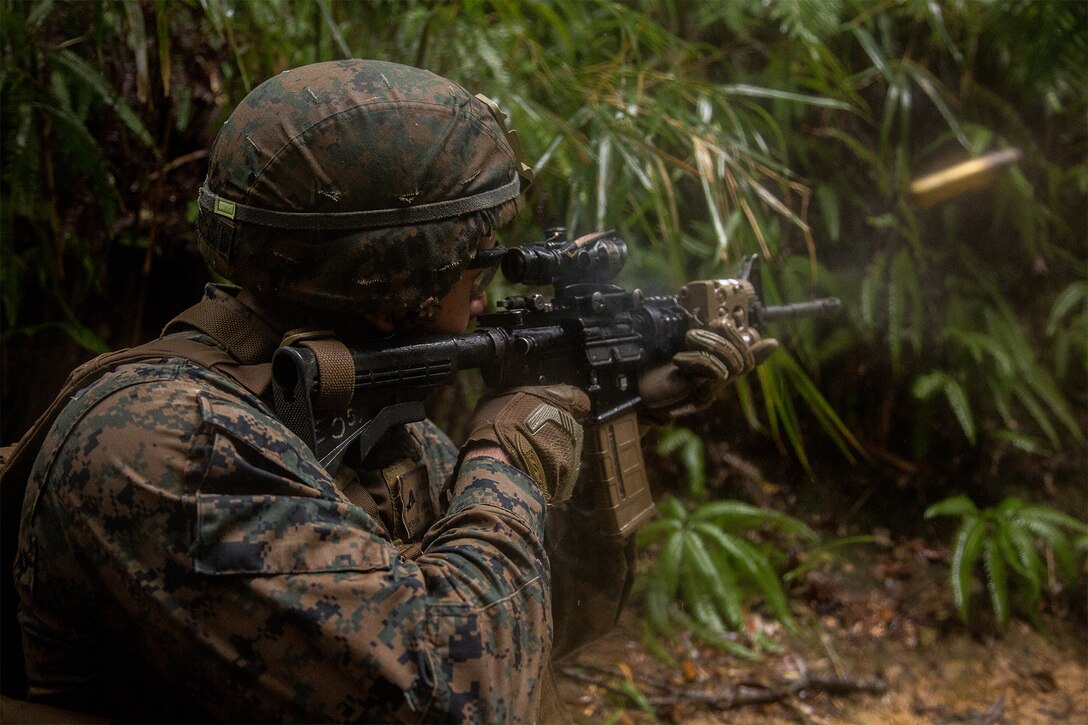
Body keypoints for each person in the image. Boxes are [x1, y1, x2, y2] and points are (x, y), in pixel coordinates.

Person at [5, 59, 773, 722]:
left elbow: (539, 620)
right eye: (476, 265)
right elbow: (464, 696)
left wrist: (610, 410)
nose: (483, 296)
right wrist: (511, 453)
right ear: (391, 286)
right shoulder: (168, 441)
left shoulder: (376, 432)